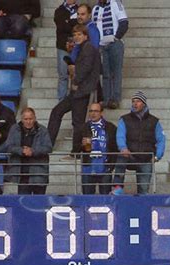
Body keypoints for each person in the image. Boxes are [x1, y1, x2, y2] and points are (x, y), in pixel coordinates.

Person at [47, 24, 100, 159]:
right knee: (57, 112)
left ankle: (75, 153)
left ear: (86, 36)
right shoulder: (83, 48)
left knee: (77, 122)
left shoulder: (88, 48)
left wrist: (76, 81)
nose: (76, 37)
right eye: (75, 34)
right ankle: (48, 144)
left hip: (82, 91)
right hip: (78, 91)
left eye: (79, 34)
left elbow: (85, 68)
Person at [112, 91, 165, 195]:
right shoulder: (124, 119)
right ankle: (117, 188)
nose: (135, 104)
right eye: (133, 101)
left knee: (144, 189)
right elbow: (120, 135)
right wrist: (123, 148)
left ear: (144, 104)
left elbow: (161, 139)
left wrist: (157, 156)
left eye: (138, 101)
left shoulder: (154, 121)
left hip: (145, 157)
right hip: (129, 154)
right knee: (120, 159)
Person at [6, 108, 52, 195]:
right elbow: (8, 146)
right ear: (21, 119)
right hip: (22, 174)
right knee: (23, 203)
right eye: (25, 119)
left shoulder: (43, 130)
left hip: (39, 174)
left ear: (34, 118)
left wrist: (33, 151)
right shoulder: (14, 129)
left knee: (39, 204)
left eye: (30, 119)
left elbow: (48, 147)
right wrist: (21, 150)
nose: (28, 122)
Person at [92, 0, 128, 109]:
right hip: (102, 46)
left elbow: (124, 22)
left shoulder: (115, 3)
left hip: (114, 43)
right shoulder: (95, 9)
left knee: (116, 72)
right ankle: (106, 99)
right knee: (106, 74)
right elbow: (94, 28)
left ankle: (115, 99)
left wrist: (116, 37)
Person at [81, 102, 117, 195]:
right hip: (88, 167)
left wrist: (111, 166)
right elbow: (75, 148)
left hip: (105, 167)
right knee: (87, 199)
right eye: (91, 111)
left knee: (105, 199)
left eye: (96, 111)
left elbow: (115, 148)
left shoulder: (111, 127)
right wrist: (83, 145)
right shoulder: (83, 127)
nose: (93, 113)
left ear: (101, 112)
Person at [54, 0, 78, 101]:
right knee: (63, 74)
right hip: (62, 46)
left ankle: (74, 98)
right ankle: (62, 100)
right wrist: (72, 23)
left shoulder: (79, 10)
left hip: (77, 47)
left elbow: (80, 26)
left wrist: (68, 22)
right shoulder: (59, 11)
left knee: (76, 75)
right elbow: (61, 27)